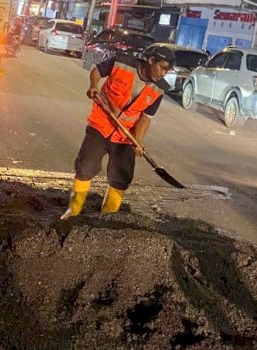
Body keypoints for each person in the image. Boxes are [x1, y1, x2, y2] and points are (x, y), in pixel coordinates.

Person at [60, 44, 174, 219]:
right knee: (86, 167)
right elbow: (97, 71)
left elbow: (145, 118)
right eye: (162, 67)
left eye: (167, 70)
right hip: (101, 123)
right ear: (151, 61)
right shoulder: (122, 63)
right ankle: (73, 211)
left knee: (121, 177)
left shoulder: (159, 88)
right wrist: (93, 85)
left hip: (125, 136)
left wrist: (138, 140)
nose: (163, 73)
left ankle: (108, 217)